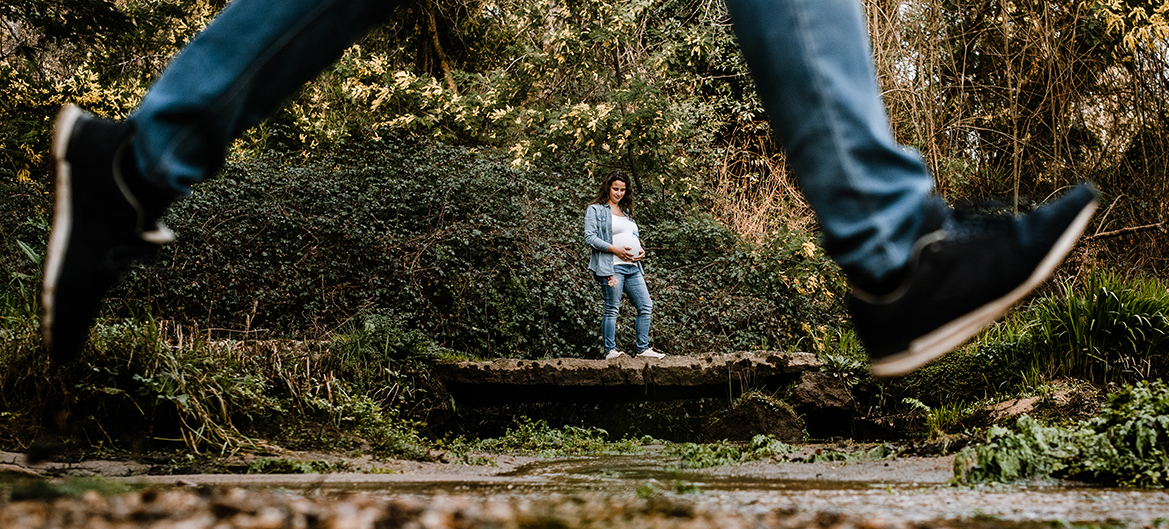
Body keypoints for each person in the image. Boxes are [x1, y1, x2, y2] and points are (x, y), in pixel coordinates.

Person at [41, 0, 1098, 378]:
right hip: (611, 269)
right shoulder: (606, 211)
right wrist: (612, 244)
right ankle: (888, 246)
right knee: (620, 295)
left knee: (636, 298)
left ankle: (134, 167)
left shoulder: (632, 211)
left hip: (628, 266)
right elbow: (601, 238)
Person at [583, 170, 667, 360]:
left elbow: (631, 235)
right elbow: (590, 237)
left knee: (646, 305)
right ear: (608, 188)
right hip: (611, 266)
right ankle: (611, 351)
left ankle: (642, 350)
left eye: (623, 190)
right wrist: (615, 249)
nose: (619, 193)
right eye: (615, 189)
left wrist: (640, 249)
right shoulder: (595, 209)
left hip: (632, 267)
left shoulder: (626, 211)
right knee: (612, 308)